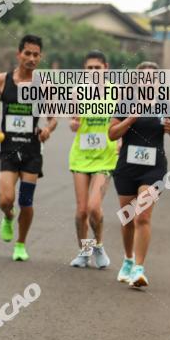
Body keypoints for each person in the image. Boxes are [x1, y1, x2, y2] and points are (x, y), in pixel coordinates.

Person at [0, 34, 57, 261]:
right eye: (28, 53)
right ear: (19, 54)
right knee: (6, 200)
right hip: (7, 148)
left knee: (26, 201)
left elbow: (53, 117)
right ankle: (7, 216)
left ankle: (21, 244)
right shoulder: (2, 81)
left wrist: (47, 129)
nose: (32, 58)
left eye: (36, 55)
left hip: (32, 151)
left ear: (40, 57)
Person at [108, 61, 170, 288]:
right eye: (143, 78)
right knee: (128, 218)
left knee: (142, 216)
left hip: (154, 168)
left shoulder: (164, 104)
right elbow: (111, 134)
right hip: (127, 168)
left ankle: (140, 269)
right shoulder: (125, 103)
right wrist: (130, 119)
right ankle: (128, 260)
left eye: (152, 78)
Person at [68, 50, 117, 269]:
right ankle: (84, 251)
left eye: (97, 68)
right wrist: (74, 125)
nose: (93, 72)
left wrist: (119, 142)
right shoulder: (78, 92)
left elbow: (119, 124)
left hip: (105, 157)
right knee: (81, 211)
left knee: (94, 207)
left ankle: (99, 245)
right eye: (89, 69)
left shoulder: (116, 93)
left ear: (105, 68)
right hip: (81, 156)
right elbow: (73, 121)